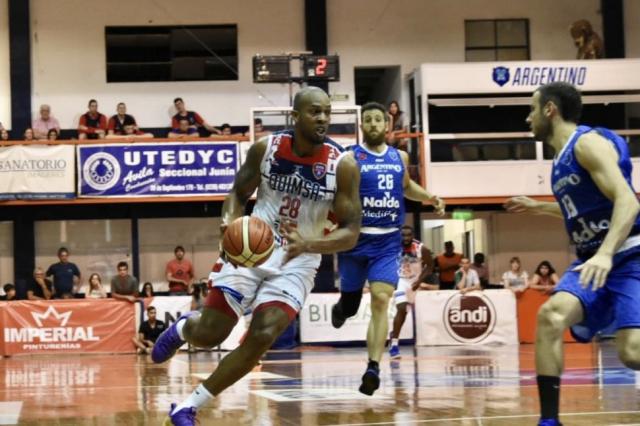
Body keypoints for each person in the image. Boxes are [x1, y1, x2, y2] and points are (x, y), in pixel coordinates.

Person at [153, 87, 363, 426]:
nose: (323, 118)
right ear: (295, 116)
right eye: (315, 111)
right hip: (253, 247)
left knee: (262, 336)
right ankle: (183, 329)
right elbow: (237, 193)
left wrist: (309, 243)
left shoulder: (343, 165)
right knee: (210, 335)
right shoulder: (266, 149)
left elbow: (351, 232)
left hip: (299, 259)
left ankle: (187, 407)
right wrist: (228, 224)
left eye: (327, 111)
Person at [504, 82, 640, 426]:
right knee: (550, 317)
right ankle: (549, 421)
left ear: (550, 109)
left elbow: (628, 201)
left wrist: (606, 254)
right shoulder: (559, 160)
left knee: (632, 352)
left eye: (532, 109)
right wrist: (538, 206)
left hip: (629, 254)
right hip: (591, 259)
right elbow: (579, 209)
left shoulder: (586, 143)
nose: (528, 118)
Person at [330, 102, 445, 396]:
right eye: (367, 119)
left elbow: (406, 186)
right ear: (362, 125)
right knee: (351, 305)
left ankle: (373, 367)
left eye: (377, 119)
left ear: (387, 125)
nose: (372, 124)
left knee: (381, 300)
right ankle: (341, 309)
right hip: (355, 241)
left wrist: (430, 197)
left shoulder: (399, 157)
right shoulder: (349, 158)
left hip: (386, 243)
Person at [388, 225, 433, 359]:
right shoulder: (393, 246)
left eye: (408, 235)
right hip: (400, 280)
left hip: (414, 282)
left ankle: (393, 334)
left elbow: (430, 266)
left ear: (413, 236)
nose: (406, 238)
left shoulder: (421, 248)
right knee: (401, 308)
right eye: (403, 235)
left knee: (404, 313)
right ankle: (394, 345)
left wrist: (419, 281)